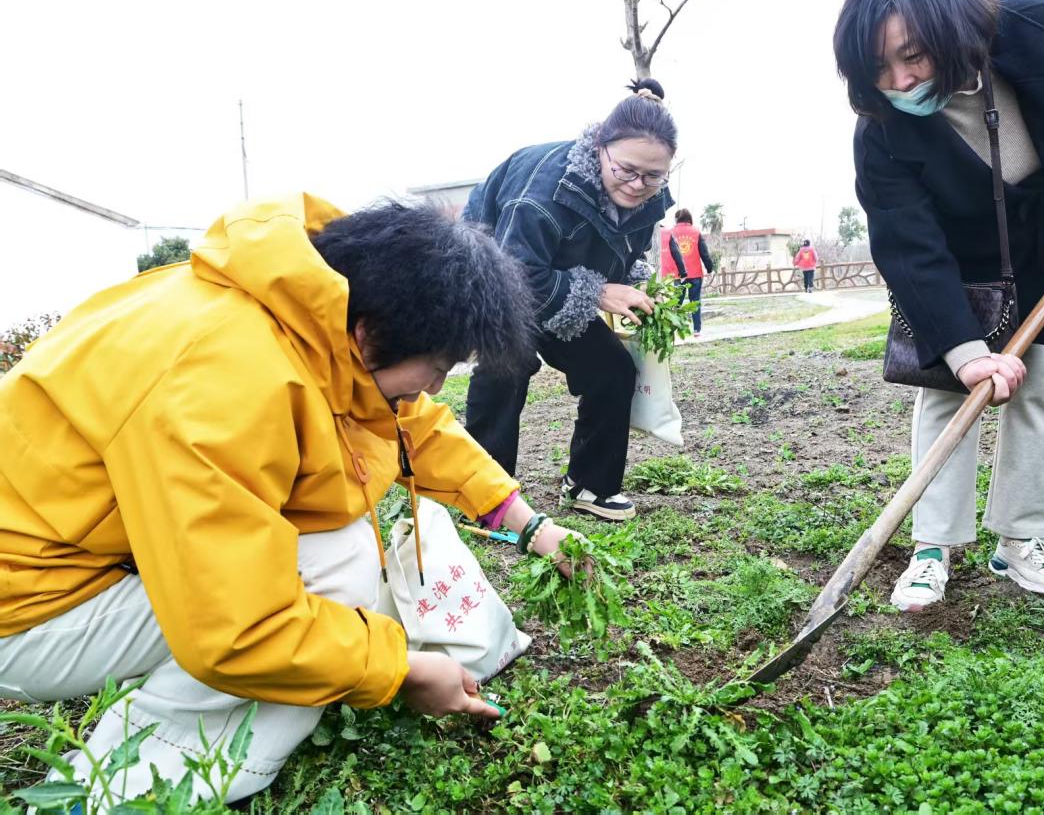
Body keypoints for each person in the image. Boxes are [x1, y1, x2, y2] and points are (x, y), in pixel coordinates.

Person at [0, 195, 586, 803]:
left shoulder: (300, 308)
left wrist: (531, 527)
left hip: (81, 554)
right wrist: (400, 671)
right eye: (438, 366)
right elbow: (238, 625)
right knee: (332, 572)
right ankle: (127, 786)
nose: (435, 387)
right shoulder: (220, 379)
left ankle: (172, 728)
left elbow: (415, 425)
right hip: (28, 604)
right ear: (371, 333)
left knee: (339, 551)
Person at [833, 0, 1044, 611]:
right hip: (961, 259)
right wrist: (963, 348)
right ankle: (932, 548)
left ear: (954, 27)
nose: (899, 81)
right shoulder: (882, 135)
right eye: (878, 66)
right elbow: (909, 247)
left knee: (1043, 384)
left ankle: (1022, 538)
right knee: (951, 394)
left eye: (913, 54)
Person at [463, 79, 678, 521]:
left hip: (557, 276)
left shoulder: (647, 198)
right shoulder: (540, 194)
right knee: (509, 362)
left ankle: (590, 486)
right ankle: (483, 497)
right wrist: (598, 292)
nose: (639, 185)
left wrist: (636, 288)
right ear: (600, 147)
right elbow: (515, 274)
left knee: (612, 367)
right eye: (626, 171)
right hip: (497, 266)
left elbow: (624, 254)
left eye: (654, 176)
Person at [661, 207, 715, 337]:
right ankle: (697, 330)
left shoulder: (670, 232)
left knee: (676, 303)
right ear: (689, 218)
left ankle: (673, 330)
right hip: (695, 274)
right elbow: (704, 253)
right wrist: (709, 268)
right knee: (694, 301)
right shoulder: (696, 232)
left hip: (677, 275)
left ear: (676, 219)